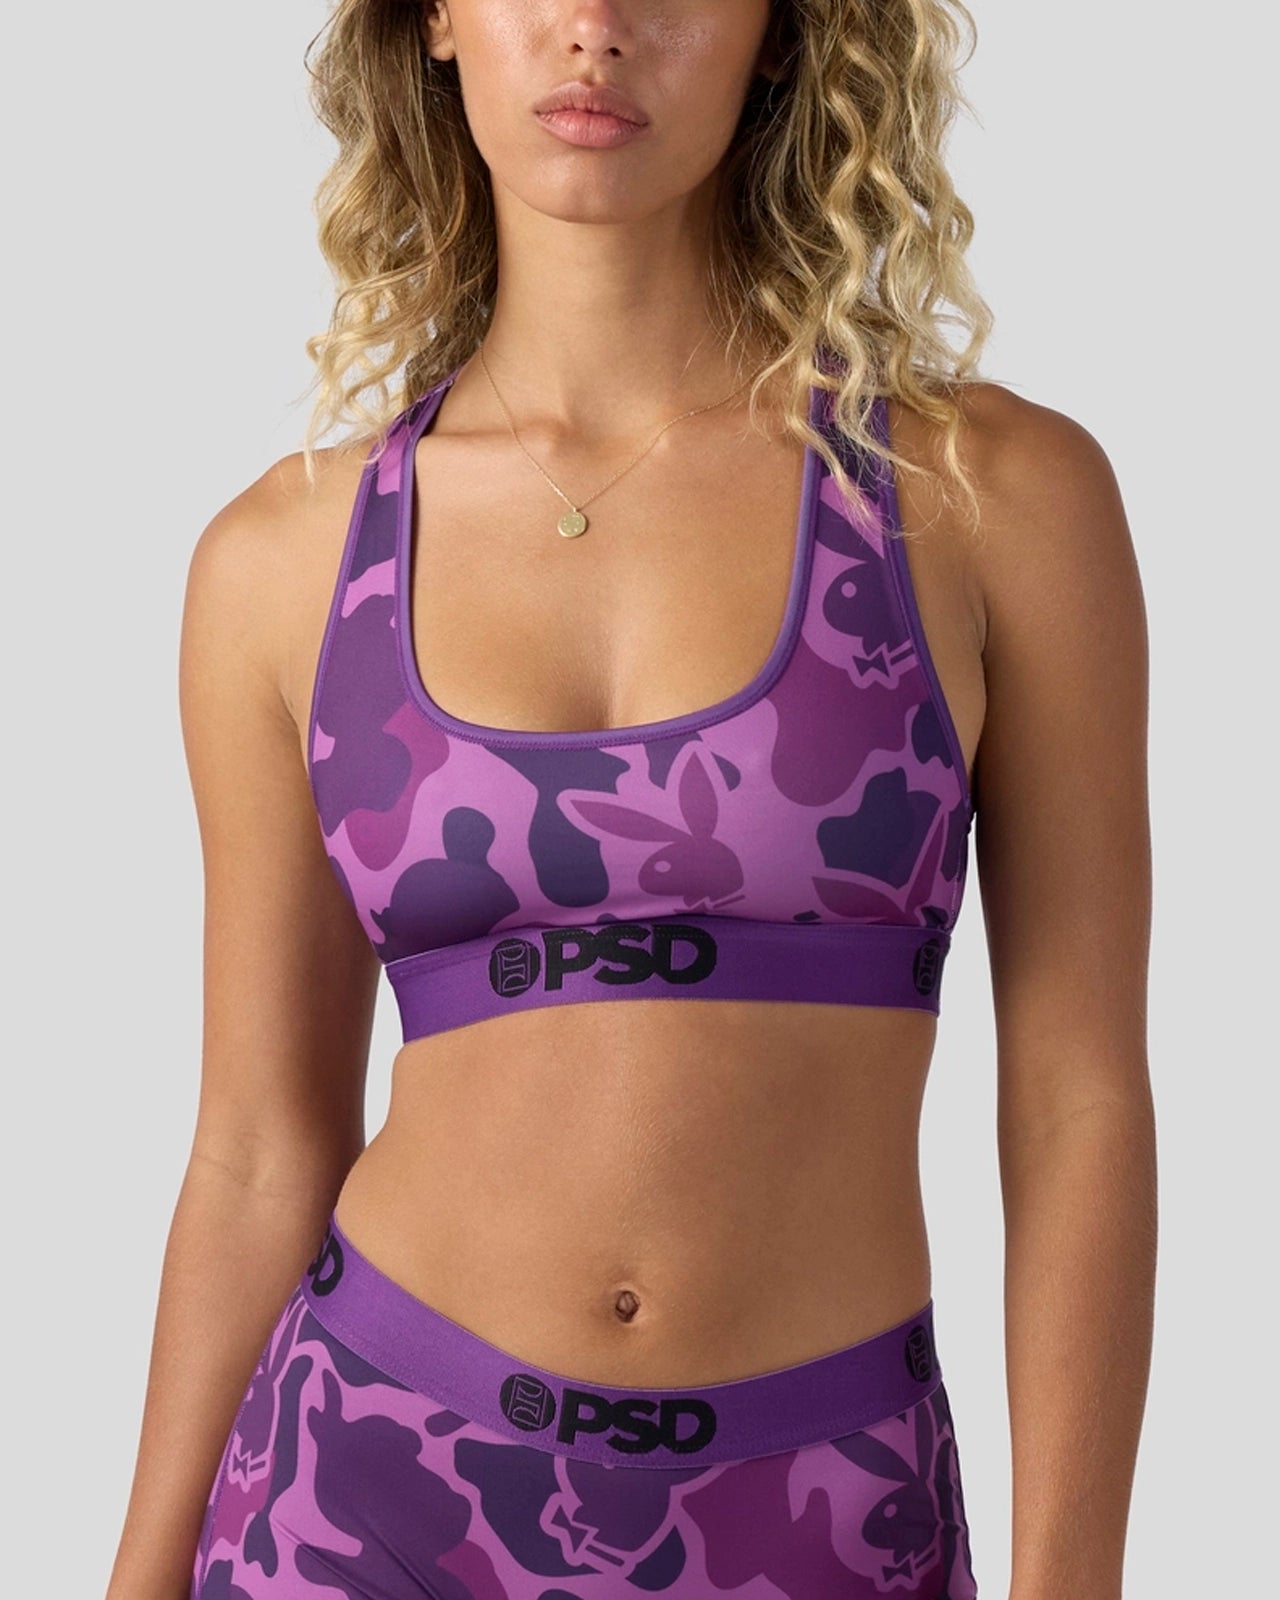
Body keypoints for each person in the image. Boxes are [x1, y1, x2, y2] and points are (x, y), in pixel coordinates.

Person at [106, 1, 1157, 1596]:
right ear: (437, 19)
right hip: (366, 1499)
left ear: (782, 33)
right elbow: (259, 1147)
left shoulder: (983, 498)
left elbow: (1079, 1100)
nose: (595, 29)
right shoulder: (283, 563)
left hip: (823, 1519)